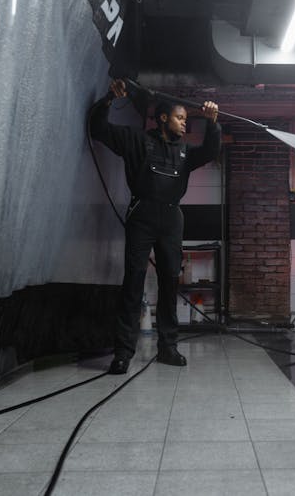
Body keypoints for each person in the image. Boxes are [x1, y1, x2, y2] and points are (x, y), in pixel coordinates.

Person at [90, 79, 221, 374]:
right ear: (163, 118)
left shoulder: (186, 153)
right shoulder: (137, 141)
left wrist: (212, 123)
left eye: (186, 119)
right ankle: (123, 353)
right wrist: (110, 98)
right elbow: (100, 129)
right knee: (133, 282)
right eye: (180, 118)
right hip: (142, 217)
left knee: (169, 282)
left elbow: (211, 151)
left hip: (172, 220)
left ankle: (168, 348)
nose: (184, 124)